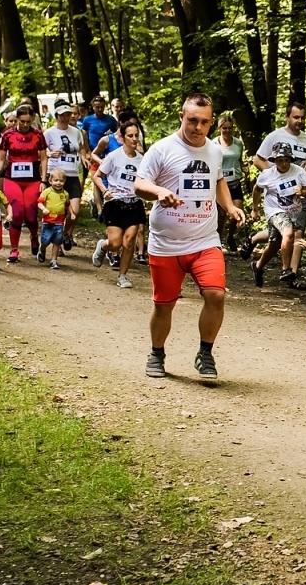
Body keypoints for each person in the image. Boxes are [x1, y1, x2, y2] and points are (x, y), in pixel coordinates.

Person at [133, 93, 245, 380]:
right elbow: (139, 184)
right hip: (166, 244)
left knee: (215, 295)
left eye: (205, 122)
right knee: (163, 304)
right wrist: (159, 192)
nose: (198, 127)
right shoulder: (161, 149)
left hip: (205, 240)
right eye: (193, 120)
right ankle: (156, 353)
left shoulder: (214, 150)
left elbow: (218, 180)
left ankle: (205, 354)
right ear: (181, 116)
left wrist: (230, 206)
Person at [251, 143, 306, 288]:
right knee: (289, 232)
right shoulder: (267, 174)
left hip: (294, 211)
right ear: (274, 161)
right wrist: (255, 209)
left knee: (275, 245)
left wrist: (302, 192)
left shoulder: (298, 171)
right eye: (280, 160)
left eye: (286, 160)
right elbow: (257, 190)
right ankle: (286, 269)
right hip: (275, 211)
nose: (284, 163)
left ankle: (258, 266)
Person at [93, 121, 147, 288]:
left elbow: (148, 180)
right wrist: (104, 190)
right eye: (130, 136)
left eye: (136, 136)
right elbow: (97, 175)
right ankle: (103, 246)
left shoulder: (143, 160)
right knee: (115, 243)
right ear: (123, 138)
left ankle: (122, 276)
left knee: (129, 241)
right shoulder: (114, 156)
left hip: (134, 203)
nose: (134, 139)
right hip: (115, 203)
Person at [0, 105, 47, 263]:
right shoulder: (8, 135)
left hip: (33, 180)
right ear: (17, 119)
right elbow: (1, 158)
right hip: (12, 179)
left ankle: (34, 236)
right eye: (22, 121)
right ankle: (14, 249)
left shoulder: (38, 134)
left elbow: (43, 158)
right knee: (16, 213)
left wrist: (44, 180)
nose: (25, 125)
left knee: (30, 216)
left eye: (28, 122)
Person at [44, 99, 88, 235]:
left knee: (74, 211)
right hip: (56, 174)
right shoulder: (49, 133)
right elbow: (42, 151)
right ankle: (53, 236)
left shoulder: (76, 132)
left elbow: (81, 148)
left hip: (73, 174)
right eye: (62, 115)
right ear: (57, 116)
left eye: (68, 115)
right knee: (57, 210)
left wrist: (84, 157)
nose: (65, 118)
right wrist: (50, 153)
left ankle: (62, 234)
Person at [215, 114, 248, 256]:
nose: (227, 131)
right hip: (221, 184)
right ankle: (218, 240)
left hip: (235, 182)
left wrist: (244, 169)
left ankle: (230, 237)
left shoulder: (238, 143)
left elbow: (240, 159)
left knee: (237, 211)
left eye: (230, 128)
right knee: (221, 215)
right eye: (224, 128)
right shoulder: (213, 143)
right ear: (219, 129)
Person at [253, 99, 306, 171]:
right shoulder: (275, 136)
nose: (300, 121)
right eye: (296, 117)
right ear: (287, 117)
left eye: (302, 118)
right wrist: (272, 177)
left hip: (299, 182)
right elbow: (258, 161)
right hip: (278, 181)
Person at [38, 169, 71, 269]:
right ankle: (42, 250)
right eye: (56, 180)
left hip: (59, 223)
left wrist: (72, 213)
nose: (58, 183)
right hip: (47, 222)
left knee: (57, 241)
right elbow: (39, 202)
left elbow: (68, 205)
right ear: (50, 181)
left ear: (64, 182)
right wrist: (43, 209)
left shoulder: (65, 194)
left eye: (61, 181)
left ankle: (53, 260)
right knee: (45, 241)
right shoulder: (47, 192)